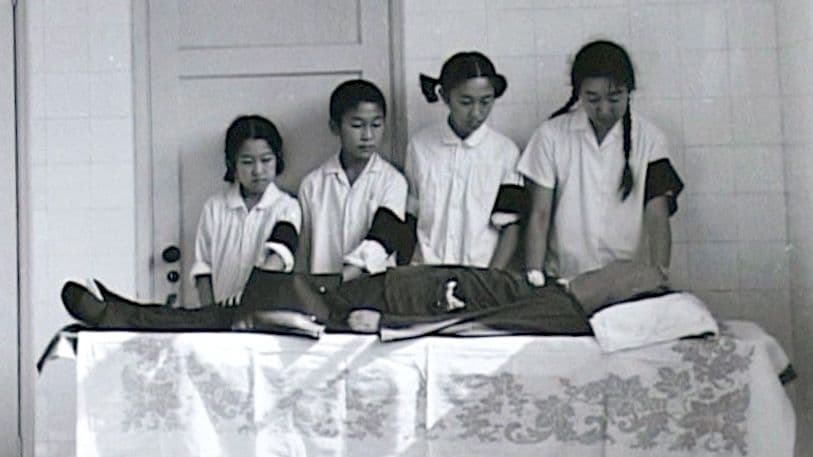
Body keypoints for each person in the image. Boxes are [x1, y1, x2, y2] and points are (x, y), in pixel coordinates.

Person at [518, 40, 684, 289]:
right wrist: (534, 277)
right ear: (578, 94)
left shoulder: (650, 139)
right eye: (592, 99)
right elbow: (539, 214)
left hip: (625, 283)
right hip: (563, 278)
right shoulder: (551, 135)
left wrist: (660, 274)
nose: (604, 110)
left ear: (630, 91)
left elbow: (657, 216)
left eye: (614, 97)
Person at [404, 51, 525, 268]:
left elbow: (510, 225)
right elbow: (411, 214)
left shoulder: (505, 152)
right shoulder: (419, 146)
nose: (476, 113)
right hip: (426, 270)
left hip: (481, 273)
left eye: (486, 102)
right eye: (466, 102)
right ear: (444, 96)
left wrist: (491, 278)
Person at [296, 79, 409, 282]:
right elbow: (303, 254)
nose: (368, 136)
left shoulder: (393, 182)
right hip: (322, 297)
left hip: (374, 295)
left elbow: (382, 240)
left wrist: (341, 279)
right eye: (357, 125)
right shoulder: (312, 185)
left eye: (376, 125)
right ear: (335, 127)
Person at [191, 115, 301, 306]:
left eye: (266, 160)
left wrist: (248, 299)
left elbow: (279, 256)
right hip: (219, 315)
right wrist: (208, 314)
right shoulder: (215, 207)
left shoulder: (286, 206)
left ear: (278, 159)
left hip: (264, 315)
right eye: (248, 162)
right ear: (232, 163)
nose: (258, 171)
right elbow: (203, 269)